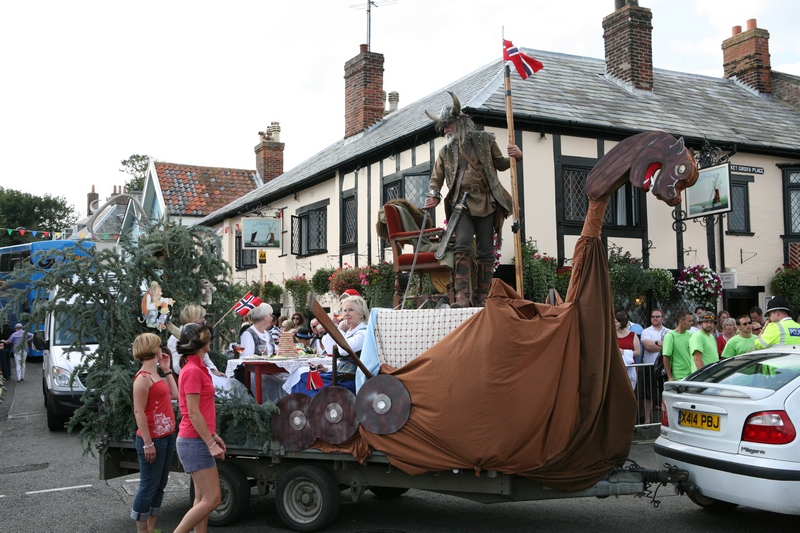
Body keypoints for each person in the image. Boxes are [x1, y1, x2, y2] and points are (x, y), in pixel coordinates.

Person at [423, 91, 521, 307]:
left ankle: (483, 297)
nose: (446, 130)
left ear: (459, 123)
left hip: (487, 201)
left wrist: (516, 156)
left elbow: (502, 164)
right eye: (444, 127)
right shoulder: (445, 152)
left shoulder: (485, 140)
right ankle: (462, 297)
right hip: (461, 204)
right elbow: (435, 179)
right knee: (463, 245)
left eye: (448, 126)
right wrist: (434, 196)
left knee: (486, 249)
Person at [174, 322, 226, 533]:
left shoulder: (196, 367)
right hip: (194, 441)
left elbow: (196, 411)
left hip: (195, 439)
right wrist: (210, 442)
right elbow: (193, 412)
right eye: (208, 338)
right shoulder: (193, 370)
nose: (210, 342)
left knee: (202, 498)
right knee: (213, 499)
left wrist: (213, 435)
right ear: (201, 342)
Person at [130, 332, 178, 533]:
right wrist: (148, 443)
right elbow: (138, 412)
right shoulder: (142, 379)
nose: (162, 350)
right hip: (152, 440)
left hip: (166, 437)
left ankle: (152, 527)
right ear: (152, 350)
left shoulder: (156, 374)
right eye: (159, 346)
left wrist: (167, 370)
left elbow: (175, 395)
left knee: (160, 484)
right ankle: (142, 530)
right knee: (148, 485)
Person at [295, 295, 369, 396]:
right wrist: (327, 368)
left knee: (304, 378)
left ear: (361, 314)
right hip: (342, 375)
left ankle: (311, 408)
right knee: (302, 373)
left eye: (351, 310)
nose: (346, 314)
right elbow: (330, 348)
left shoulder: (363, 333)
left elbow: (344, 350)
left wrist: (341, 331)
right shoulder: (350, 330)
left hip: (350, 380)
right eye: (344, 310)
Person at [167, 304, 224, 377]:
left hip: (199, 370)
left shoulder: (198, 333)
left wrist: (214, 369)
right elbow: (176, 366)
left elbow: (203, 353)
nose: (204, 320)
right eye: (201, 317)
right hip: (188, 374)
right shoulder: (175, 337)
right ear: (192, 318)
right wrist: (193, 368)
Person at [640, 308, 670, 424]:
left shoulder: (669, 331)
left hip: (665, 365)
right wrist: (664, 345)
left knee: (665, 392)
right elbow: (648, 347)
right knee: (649, 393)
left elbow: (672, 347)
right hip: (650, 365)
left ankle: (666, 418)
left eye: (657, 316)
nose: (655, 319)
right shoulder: (646, 331)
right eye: (653, 316)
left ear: (662, 318)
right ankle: (648, 419)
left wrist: (656, 343)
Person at [662, 310, 695, 381]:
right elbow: (666, 357)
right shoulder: (670, 336)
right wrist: (670, 376)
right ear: (681, 321)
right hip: (678, 376)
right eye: (689, 321)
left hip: (692, 375)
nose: (692, 323)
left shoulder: (691, 335)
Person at [615, 311, 640, 391]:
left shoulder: (632, 335)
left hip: (629, 367)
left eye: (616, 322)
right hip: (616, 367)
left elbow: (638, 352)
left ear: (621, 323)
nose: (613, 324)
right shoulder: (612, 335)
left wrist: (624, 352)